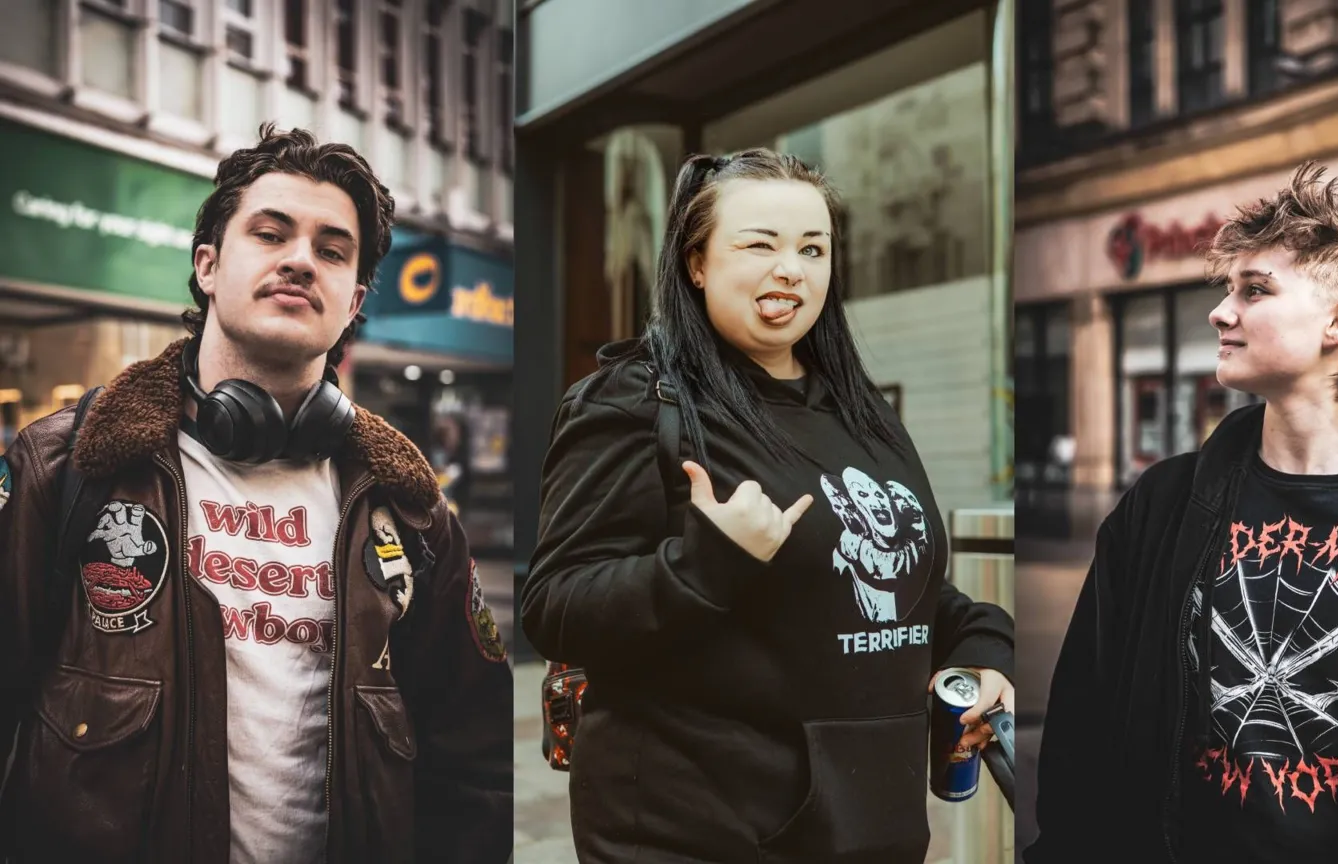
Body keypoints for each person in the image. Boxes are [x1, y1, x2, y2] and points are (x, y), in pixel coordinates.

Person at [0, 124, 516, 863]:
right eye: (271, 233)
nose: (301, 260)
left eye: (332, 250)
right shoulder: (69, 464)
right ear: (207, 265)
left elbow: (474, 763)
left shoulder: (408, 506)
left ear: (355, 300)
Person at [1026, 163, 1338, 863]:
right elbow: (1085, 728)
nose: (1220, 311)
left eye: (1255, 291)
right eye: (1227, 289)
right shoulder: (1161, 506)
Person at [523, 149, 1016, 864]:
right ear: (696, 263)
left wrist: (980, 643)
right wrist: (706, 562)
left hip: (872, 824)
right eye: (760, 244)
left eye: (812, 248)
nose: (792, 267)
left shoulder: (859, 410)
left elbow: (896, 586)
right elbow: (555, 606)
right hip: (695, 831)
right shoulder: (634, 401)